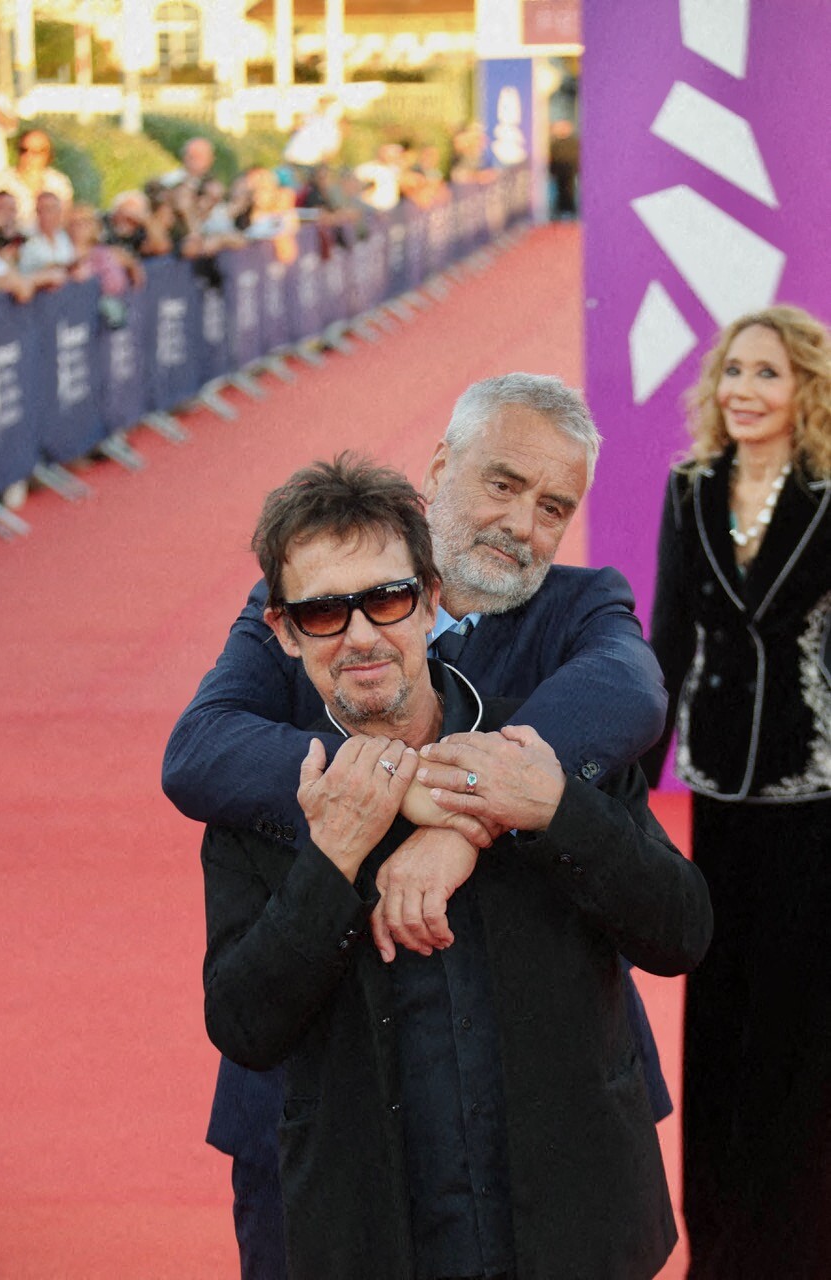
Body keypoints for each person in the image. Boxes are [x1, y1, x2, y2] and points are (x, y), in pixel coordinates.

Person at [164, 373, 673, 1277]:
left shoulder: (576, 605)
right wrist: (392, 790)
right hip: (323, 1108)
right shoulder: (307, 604)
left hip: (539, 1094)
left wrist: (463, 817)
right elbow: (199, 750)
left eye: (554, 506)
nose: (522, 524)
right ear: (439, 466)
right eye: (504, 484)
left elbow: (631, 695)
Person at [642, 305, 831, 1278]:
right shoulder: (689, 490)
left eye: (766, 373)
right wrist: (632, 780)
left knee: (798, 1029)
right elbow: (669, 637)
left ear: (803, 387)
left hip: (814, 791)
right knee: (717, 1018)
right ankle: (718, 1245)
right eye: (731, 372)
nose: (743, 391)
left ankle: (796, 1244)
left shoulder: (829, 495)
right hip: (719, 786)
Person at [0, 129, 73, 233]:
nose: (29, 156)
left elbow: (65, 219)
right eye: (24, 150)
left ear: (48, 154)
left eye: (36, 151)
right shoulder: (1, 182)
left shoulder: (59, 183)